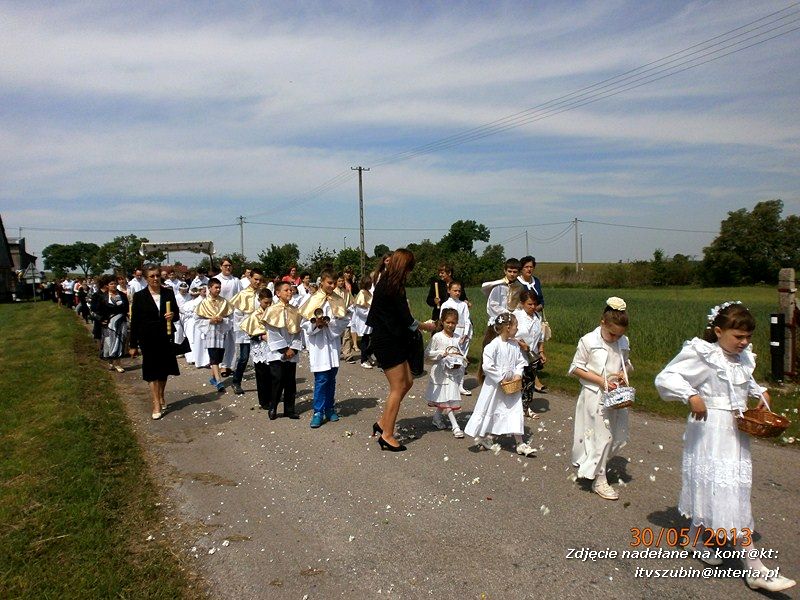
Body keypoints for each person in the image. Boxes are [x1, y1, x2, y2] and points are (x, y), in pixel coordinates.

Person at [655, 302, 795, 593]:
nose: (744, 343)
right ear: (718, 331)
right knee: (727, 490)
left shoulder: (743, 358)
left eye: (747, 338)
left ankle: (694, 538)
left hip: (735, 433)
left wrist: (760, 390)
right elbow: (666, 377)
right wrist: (690, 394)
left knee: (725, 487)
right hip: (711, 429)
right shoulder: (704, 355)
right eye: (738, 337)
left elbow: (742, 384)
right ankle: (755, 568)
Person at [367, 249, 437, 451]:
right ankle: (387, 435)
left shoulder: (390, 283)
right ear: (403, 267)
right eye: (409, 268)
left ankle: (382, 423)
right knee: (397, 388)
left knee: (407, 382)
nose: (410, 272)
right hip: (386, 341)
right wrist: (426, 326)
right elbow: (407, 320)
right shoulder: (391, 286)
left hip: (392, 339)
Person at [569, 297, 631, 500]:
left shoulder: (623, 341)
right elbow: (576, 368)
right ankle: (600, 480)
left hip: (615, 396)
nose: (615, 338)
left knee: (613, 435)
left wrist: (623, 373)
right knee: (603, 436)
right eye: (612, 333)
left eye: (619, 335)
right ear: (602, 322)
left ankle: (594, 464)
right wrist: (601, 382)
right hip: (594, 395)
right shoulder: (588, 341)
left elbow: (624, 363)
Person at [464, 313, 535, 456]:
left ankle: (520, 443)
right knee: (494, 409)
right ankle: (486, 436)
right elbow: (487, 366)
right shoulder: (494, 345)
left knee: (514, 410)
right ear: (508, 327)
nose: (517, 329)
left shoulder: (515, 344)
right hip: (496, 386)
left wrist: (517, 374)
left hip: (512, 385)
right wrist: (501, 378)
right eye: (516, 326)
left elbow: (520, 361)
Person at [300, 271, 350, 428]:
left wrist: (332, 324)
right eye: (329, 283)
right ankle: (318, 411)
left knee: (331, 378)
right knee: (321, 379)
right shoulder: (313, 299)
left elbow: (345, 320)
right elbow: (304, 323)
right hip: (319, 345)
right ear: (321, 282)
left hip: (332, 343)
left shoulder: (338, 299)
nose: (332, 286)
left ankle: (329, 407)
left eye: (334, 283)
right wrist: (316, 325)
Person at [129, 266, 180, 420]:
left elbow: (177, 314)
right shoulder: (140, 296)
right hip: (148, 338)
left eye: (157, 275)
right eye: (152, 276)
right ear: (146, 278)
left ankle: (161, 394)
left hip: (165, 335)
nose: (155, 278)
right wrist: (132, 344)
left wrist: (173, 315)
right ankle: (156, 402)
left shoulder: (168, 293)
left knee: (163, 370)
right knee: (152, 370)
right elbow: (135, 321)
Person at [262, 281, 303, 419]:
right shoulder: (271, 310)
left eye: (291, 290)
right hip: (278, 352)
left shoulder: (295, 310)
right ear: (278, 293)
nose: (289, 292)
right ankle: (273, 406)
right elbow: (272, 332)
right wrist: (284, 349)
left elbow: (298, 331)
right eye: (286, 290)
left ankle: (289, 409)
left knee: (290, 381)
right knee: (277, 380)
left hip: (291, 351)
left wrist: (293, 349)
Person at [425, 307, 465, 438]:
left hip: (452, 373)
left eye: (453, 323)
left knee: (446, 397)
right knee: (446, 399)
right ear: (442, 322)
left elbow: (458, 352)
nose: (451, 325)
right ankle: (455, 426)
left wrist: (461, 358)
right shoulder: (437, 337)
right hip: (440, 374)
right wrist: (441, 354)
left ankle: (436, 418)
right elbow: (427, 353)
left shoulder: (457, 338)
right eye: (448, 322)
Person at [229, 268, 265, 395]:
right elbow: (238, 315)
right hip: (246, 330)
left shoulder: (262, 293)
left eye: (260, 280)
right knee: (244, 357)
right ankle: (236, 381)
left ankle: (264, 386)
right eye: (256, 279)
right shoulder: (243, 294)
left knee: (262, 359)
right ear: (250, 278)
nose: (258, 282)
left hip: (260, 330)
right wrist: (245, 328)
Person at [196, 278, 235, 393]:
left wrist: (222, 319)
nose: (218, 290)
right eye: (216, 287)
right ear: (209, 288)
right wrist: (209, 321)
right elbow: (197, 319)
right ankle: (219, 381)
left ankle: (213, 377)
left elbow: (230, 317)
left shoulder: (223, 302)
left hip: (221, 331)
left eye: (219, 287)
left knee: (219, 357)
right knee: (213, 357)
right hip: (210, 332)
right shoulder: (204, 303)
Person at [513, 289, 547, 408]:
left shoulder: (537, 316)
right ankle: (515, 408)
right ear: (522, 303)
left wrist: (541, 351)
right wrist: (521, 344)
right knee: (518, 382)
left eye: (535, 304)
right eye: (529, 304)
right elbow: (510, 335)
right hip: (517, 355)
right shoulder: (516, 316)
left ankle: (526, 407)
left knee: (529, 382)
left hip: (532, 356)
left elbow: (540, 336)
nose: (533, 307)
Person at [439, 280, 473, 395]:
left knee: (462, 359)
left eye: (459, 291)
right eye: (455, 290)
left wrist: (466, 334)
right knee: (451, 358)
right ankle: (448, 383)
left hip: (463, 333)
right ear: (449, 291)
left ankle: (460, 385)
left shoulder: (463, 304)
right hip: (452, 333)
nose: (457, 293)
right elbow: (443, 320)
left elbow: (467, 319)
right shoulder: (446, 304)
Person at [243, 287, 273, 411]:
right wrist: (261, 335)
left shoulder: (273, 311)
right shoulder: (255, 315)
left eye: (270, 302)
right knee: (261, 375)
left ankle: (272, 396)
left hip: (272, 346)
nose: (268, 305)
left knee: (272, 373)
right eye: (266, 302)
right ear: (260, 300)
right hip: (260, 346)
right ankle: (264, 400)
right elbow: (250, 332)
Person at [97, 275, 129, 373]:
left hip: (120, 322)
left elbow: (126, 308)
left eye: (115, 283)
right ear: (107, 286)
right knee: (109, 343)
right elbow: (97, 310)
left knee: (119, 342)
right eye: (111, 284)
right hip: (108, 324)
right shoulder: (103, 297)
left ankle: (118, 364)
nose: (114, 285)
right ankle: (110, 362)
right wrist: (101, 319)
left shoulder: (122, 296)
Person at [216, 258, 242, 376]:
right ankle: (220, 365)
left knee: (232, 341)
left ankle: (229, 365)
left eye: (230, 265)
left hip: (233, 313)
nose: (228, 267)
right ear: (221, 266)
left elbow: (241, 296)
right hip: (219, 313)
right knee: (220, 341)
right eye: (225, 265)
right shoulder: (216, 279)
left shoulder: (236, 280)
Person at [349, 275, 373, 369]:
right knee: (365, 340)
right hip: (364, 321)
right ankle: (363, 360)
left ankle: (368, 354)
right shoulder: (362, 293)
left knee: (373, 339)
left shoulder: (368, 292)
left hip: (370, 320)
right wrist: (370, 312)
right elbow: (359, 310)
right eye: (369, 283)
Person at [334, 273, 357, 361]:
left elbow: (352, 302)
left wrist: (349, 309)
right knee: (336, 337)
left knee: (347, 336)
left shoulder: (346, 292)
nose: (341, 282)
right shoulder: (333, 292)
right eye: (339, 281)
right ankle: (336, 354)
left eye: (342, 281)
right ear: (336, 282)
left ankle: (347, 354)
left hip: (345, 317)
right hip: (336, 317)